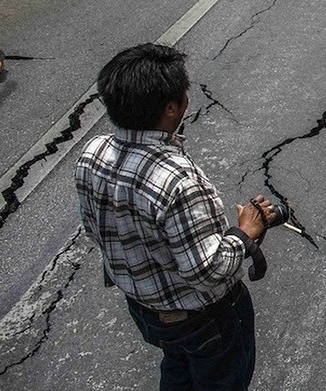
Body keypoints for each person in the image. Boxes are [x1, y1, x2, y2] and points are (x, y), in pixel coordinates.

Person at [76, 43, 281, 391]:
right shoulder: (177, 181)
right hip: (205, 319)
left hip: (146, 311)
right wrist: (245, 231)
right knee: (220, 379)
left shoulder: (92, 153)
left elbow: (95, 230)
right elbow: (208, 271)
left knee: (178, 366)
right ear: (172, 107)